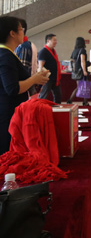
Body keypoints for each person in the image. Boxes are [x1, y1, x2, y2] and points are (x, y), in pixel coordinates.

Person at [0, 16, 49, 154]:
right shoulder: (5, 55)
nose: (24, 32)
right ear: (12, 33)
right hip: (7, 113)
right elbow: (12, 88)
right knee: (7, 151)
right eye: (21, 29)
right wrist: (34, 79)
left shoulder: (9, 53)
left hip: (11, 111)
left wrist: (35, 79)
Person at [37, 33, 62, 103]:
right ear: (48, 41)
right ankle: (39, 107)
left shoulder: (53, 51)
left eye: (56, 40)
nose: (56, 42)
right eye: (54, 40)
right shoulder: (43, 51)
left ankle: (57, 108)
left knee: (58, 96)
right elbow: (40, 67)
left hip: (55, 78)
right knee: (43, 96)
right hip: (47, 79)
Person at [67, 37, 89, 105]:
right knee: (84, 86)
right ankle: (84, 102)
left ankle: (70, 100)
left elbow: (73, 61)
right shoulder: (82, 50)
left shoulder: (74, 50)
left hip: (76, 71)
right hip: (81, 70)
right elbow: (82, 60)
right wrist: (84, 70)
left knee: (79, 86)